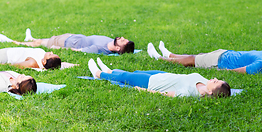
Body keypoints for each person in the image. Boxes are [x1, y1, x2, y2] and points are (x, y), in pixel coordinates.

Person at [88, 58, 231, 98]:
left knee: (126, 76)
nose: (214, 78)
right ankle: (110, 70)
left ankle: (99, 74)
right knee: (136, 71)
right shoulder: (205, 82)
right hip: (161, 75)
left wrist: (145, 92)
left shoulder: (191, 93)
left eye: (216, 82)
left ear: (212, 92)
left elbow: (167, 94)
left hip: (152, 83)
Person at [147, 41, 262, 77]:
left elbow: (237, 71)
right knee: (195, 57)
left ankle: (160, 58)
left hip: (220, 62)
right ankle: (169, 54)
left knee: (191, 61)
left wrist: (222, 71)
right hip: (226, 53)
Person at [0, 28, 135, 55]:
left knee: (39, 44)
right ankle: (31, 38)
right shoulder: (110, 41)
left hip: (67, 43)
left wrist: (60, 50)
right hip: (73, 37)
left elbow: (77, 51)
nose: (121, 38)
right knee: (43, 40)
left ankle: (13, 41)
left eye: (122, 41)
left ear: (118, 49)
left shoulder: (99, 49)